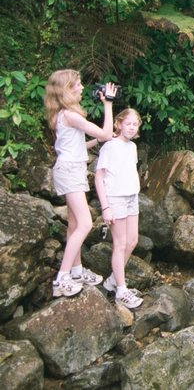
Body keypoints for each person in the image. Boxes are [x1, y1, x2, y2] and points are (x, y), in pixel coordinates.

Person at [44, 70, 117, 297]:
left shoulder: (61, 116)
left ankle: (76, 270)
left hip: (68, 169)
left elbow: (72, 147)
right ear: (67, 90)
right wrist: (108, 104)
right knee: (85, 224)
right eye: (78, 84)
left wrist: (95, 140)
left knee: (74, 224)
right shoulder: (70, 116)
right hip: (70, 173)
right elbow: (106, 133)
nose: (83, 87)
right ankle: (62, 278)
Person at [95, 108, 144, 309]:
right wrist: (105, 207)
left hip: (132, 196)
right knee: (120, 243)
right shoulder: (110, 146)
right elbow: (98, 178)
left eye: (135, 124)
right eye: (128, 124)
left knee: (132, 241)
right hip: (115, 198)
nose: (131, 128)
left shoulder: (132, 147)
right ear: (119, 123)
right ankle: (121, 290)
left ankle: (112, 281)